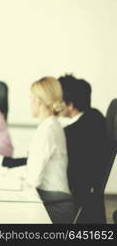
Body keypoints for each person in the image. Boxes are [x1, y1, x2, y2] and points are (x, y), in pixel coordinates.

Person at [0, 77, 74, 223]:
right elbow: (31, 169)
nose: (30, 103)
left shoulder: (47, 131)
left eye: (31, 99)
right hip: (52, 199)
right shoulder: (51, 126)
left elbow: (33, 179)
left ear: (38, 101)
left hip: (54, 206)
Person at [58, 74, 108, 223]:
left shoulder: (71, 132)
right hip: (92, 201)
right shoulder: (96, 116)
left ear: (70, 105)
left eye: (58, 101)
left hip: (73, 197)